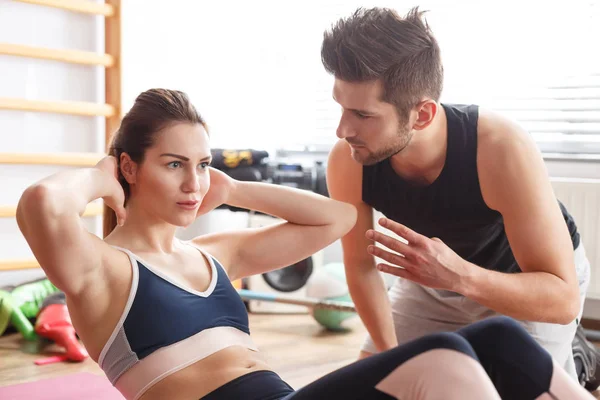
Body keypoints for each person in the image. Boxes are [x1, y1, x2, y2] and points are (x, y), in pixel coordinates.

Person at [15, 88, 593, 400]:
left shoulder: (216, 255)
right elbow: (42, 204)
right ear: (129, 168)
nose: (194, 183)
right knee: (442, 361)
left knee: (499, 338)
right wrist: (100, 177)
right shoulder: (103, 269)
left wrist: (236, 188)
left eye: (202, 165)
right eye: (173, 165)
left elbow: (336, 219)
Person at [322, 5, 595, 384]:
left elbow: (562, 299)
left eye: (362, 115)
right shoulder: (351, 159)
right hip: (433, 284)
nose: (342, 130)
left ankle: (575, 360)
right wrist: (392, 359)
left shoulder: (500, 147)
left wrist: (460, 277)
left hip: (526, 282)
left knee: (516, 385)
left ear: (422, 115)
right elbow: (360, 267)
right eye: (340, 107)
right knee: (383, 384)